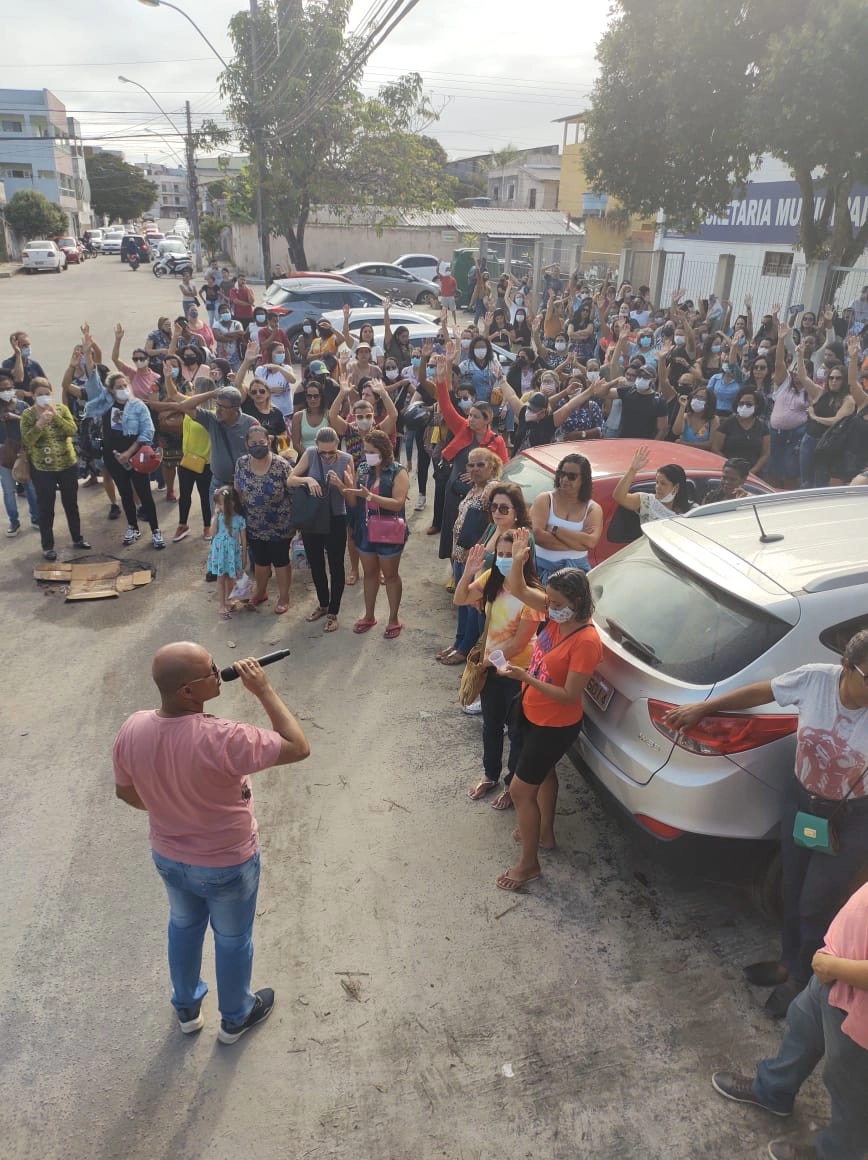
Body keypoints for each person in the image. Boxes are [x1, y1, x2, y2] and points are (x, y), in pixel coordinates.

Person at [664, 629, 868, 1021]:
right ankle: (788, 961)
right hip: (803, 804)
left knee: (815, 902)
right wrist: (704, 709)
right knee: (792, 889)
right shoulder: (815, 679)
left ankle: (806, 978)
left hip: (852, 820)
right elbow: (763, 692)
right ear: (846, 665)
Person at [112, 644, 309, 1044]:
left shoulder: (133, 727)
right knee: (233, 938)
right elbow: (298, 747)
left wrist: (168, 810)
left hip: (168, 855)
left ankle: (186, 1005)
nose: (220, 673)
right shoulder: (223, 737)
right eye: (211, 671)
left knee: (183, 925)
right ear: (189, 692)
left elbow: (125, 792)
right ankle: (235, 1015)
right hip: (226, 863)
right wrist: (265, 690)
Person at [711, 881, 868, 1160]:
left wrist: (833, 966)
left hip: (857, 1002)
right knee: (802, 1026)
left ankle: (837, 1154)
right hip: (833, 975)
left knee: (851, 1090)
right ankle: (773, 1090)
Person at [497, 530, 603, 890]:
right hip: (531, 710)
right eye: (549, 601)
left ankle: (529, 866)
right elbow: (518, 590)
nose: (549, 607)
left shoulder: (586, 641)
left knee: (520, 791)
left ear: (575, 601)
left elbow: (569, 694)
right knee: (543, 776)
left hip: (554, 724)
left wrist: (526, 676)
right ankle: (544, 834)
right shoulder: (558, 616)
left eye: (556, 602)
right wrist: (519, 561)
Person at [455, 533, 546, 802]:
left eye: (510, 554)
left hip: (519, 672)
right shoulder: (492, 580)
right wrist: (469, 572)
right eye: (501, 555)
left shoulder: (533, 595)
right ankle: (490, 775)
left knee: (517, 732)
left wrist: (486, 660)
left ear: (524, 556)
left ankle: (511, 785)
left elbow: (518, 645)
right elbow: (460, 599)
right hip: (492, 668)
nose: (504, 560)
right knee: (491, 726)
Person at [80, 353, 164, 550]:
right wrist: (87, 352)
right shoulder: (105, 403)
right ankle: (132, 527)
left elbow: (147, 431)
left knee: (144, 493)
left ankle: (155, 531)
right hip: (112, 456)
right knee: (125, 493)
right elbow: (93, 383)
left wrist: (129, 452)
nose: (123, 389)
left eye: (125, 385)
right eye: (118, 387)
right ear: (110, 390)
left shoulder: (138, 406)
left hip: (136, 455)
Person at [432, 355, 508, 562]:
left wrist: (480, 479)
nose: (470, 419)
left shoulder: (496, 441)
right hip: (456, 488)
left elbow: (503, 469)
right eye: (470, 415)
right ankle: (452, 567)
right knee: (452, 528)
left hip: (480, 495)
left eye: (475, 416)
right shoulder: (462, 428)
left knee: (473, 530)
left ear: (487, 420)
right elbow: (446, 407)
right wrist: (441, 379)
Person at [337, 428, 409, 638]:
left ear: (384, 450)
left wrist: (370, 497)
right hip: (365, 530)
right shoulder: (363, 469)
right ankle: (369, 615)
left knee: (391, 575)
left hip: (389, 532)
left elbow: (397, 504)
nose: (367, 454)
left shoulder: (398, 471)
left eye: (371, 451)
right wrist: (345, 488)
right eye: (365, 450)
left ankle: (393, 618)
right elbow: (354, 502)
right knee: (369, 574)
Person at [437, 447, 503, 667]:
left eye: (480, 464)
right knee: (462, 604)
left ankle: (466, 648)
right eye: (471, 465)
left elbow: (494, 514)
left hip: (474, 559)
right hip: (460, 556)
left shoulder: (492, 487)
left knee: (471, 605)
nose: (474, 469)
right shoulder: (474, 488)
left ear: (492, 466)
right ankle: (458, 643)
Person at [289, 427, 353, 632]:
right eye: (322, 452)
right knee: (316, 563)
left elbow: (351, 497)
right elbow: (290, 479)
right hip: (314, 517)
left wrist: (340, 484)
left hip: (336, 517)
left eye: (331, 452)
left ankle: (334, 611)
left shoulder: (346, 459)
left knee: (336, 565)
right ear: (316, 446)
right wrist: (307, 479)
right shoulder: (310, 454)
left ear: (338, 446)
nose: (326, 456)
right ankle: (323, 604)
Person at [19, 378, 91, 560]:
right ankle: (48, 546)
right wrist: (40, 424)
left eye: (47, 394)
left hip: (67, 465)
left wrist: (55, 416)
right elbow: (27, 441)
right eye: (40, 395)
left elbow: (73, 430)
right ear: (33, 396)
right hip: (43, 469)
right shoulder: (28, 414)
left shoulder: (61, 409)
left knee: (71, 504)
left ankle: (77, 538)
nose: (44, 397)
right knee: (46, 507)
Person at [233, 425, 294, 613]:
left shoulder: (281, 465)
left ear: (269, 442)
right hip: (253, 523)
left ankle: (284, 598)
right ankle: (260, 592)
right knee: (260, 561)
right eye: (253, 443)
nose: (258, 446)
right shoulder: (241, 463)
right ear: (246, 444)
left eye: (261, 442)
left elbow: (293, 493)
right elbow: (238, 489)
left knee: (281, 560)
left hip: (280, 524)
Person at [530, 454, 602, 581]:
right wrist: (578, 544)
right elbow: (537, 535)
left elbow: (591, 542)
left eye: (571, 476)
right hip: (539, 570)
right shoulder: (545, 499)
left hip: (575, 575)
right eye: (562, 474)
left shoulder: (593, 508)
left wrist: (555, 530)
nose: (564, 479)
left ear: (583, 480)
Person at [173, 377, 213, 543]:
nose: (192, 390)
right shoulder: (189, 403)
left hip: (206, 463)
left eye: (195, 388)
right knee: (184, 495)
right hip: (187, 461)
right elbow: (173, 394)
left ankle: (207, 526)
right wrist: (168, 377)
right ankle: (183, 525)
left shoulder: (213, 413)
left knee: (205, 496)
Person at [0, 373, 39, 535]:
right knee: (9, 491)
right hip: (4, 455)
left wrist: (15, 417)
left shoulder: (22, 405)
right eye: (2, 389)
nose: (7, 391)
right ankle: (14, 522)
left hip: (24, 452)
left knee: (31, 487)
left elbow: (33, 424)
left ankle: (36, 518)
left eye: (9, 388)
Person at [612, 445, 692, 523]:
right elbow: (619, 497)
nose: (657, 487)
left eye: (663, 484)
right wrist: (632, 470)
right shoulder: (647, 501)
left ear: (676, 487)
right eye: (657, 482)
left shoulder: (691, 509)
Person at [711, 386, 771, 476]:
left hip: (753, 474)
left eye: (749, 404)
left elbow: (765, 454)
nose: (744, 406)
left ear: (757, 406)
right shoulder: (727, 423)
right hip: (729, 472)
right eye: (741, 403)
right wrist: (731, 468)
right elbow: (716, 448)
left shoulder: (762, 426)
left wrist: (752, 472)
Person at [207, 486, 247, 620]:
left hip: (232, 554)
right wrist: (216, 514)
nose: (218, 506)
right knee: (220, 579)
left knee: (231, 578)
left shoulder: (240, 519)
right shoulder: (219, 517)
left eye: (220, 504)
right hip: (219, 553)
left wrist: (244, 558)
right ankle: (221, 605)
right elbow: (211, 533)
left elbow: (244, 540)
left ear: (231, 503)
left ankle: (230, 599)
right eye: (217, 503)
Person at [291, 376, 331, 456]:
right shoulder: (298, 416)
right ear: (306, 398)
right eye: (309, 396)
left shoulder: (329, 415)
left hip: (326, 456)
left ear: (321, 397)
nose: (312, 399)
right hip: (305, 456)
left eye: (316, 396)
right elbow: (295, 444)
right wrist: (310, 457)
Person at [3, 331, 46, 401]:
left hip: (36, 403)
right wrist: (18, 353)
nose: (27, 348)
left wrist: (28, 394)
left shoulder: (34, 364)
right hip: (18, 403)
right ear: (15, 346)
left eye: (28, 345)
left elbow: (47, 386)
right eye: (24, 345)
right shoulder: (8, 363)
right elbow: (19, 378)